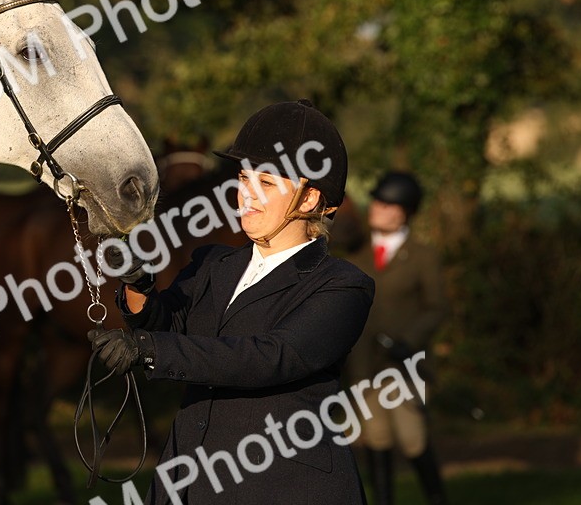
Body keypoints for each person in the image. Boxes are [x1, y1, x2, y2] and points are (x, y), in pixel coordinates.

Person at [92, 99, 375, 505]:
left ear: (310, 199)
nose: (246, 196)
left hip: (283, 486)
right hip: (188, 478)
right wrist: (139, 285)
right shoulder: (213, 262)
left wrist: (149, 350)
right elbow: (166, 326)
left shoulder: (343, 286)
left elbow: (270, 357)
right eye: (244, 179)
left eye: (267, 183)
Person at [346, 172, 449, 505]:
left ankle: (436, 498)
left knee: (412, 436)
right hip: (365, 364)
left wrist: (410, 339)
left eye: (387, 205)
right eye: (377, 202)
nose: (377, 209)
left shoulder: (422, 256)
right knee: (375, 437)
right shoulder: (356, 254)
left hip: (404, 365)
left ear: (405, 213)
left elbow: (436, 308)